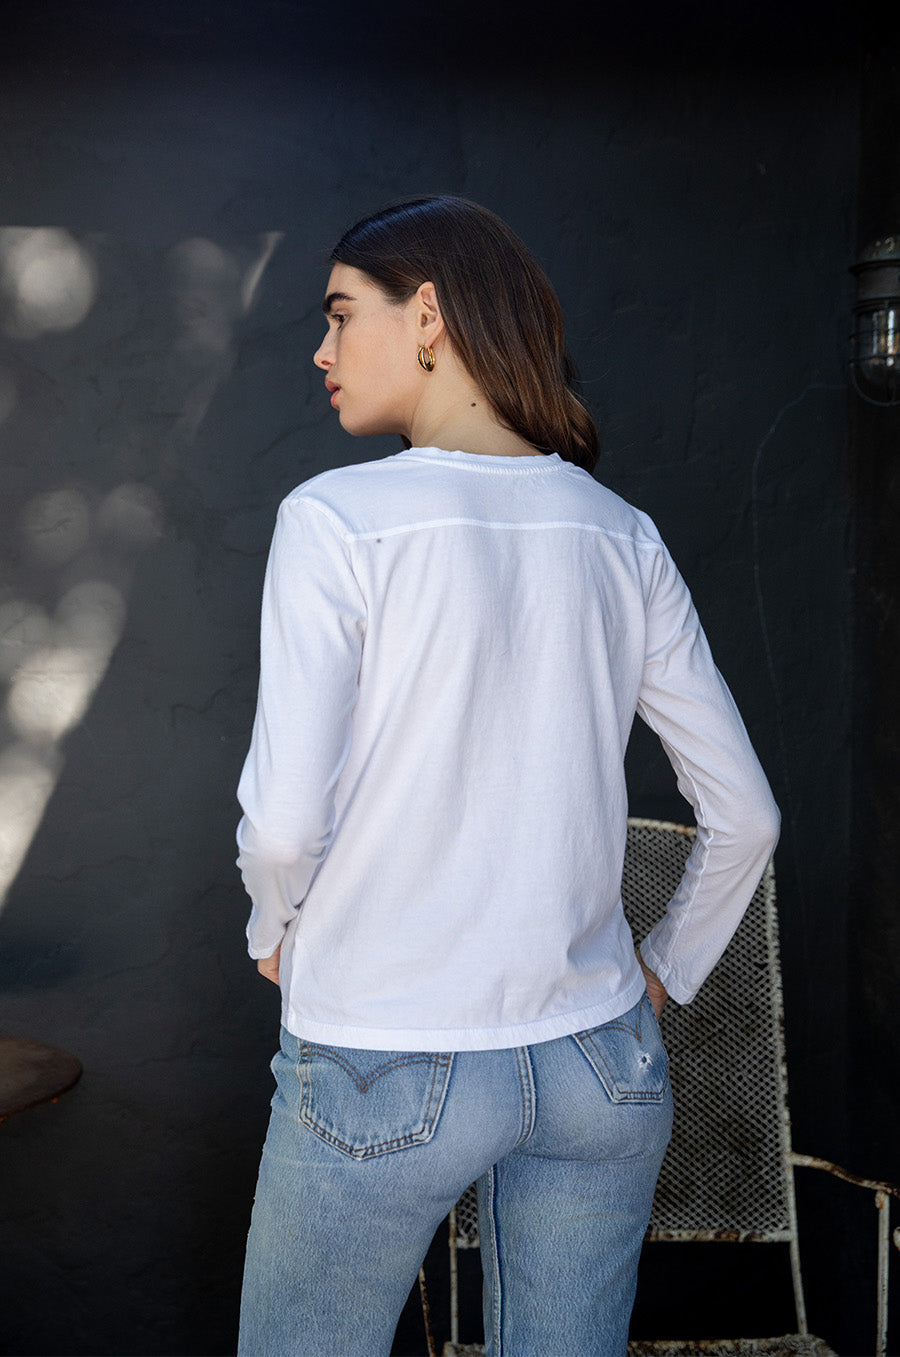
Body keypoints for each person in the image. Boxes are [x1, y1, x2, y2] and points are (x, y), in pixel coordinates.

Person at [235, 195, 780, 1357]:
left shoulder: (337, 520)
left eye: (341, 315)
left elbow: (283, 824)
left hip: (383, 1048)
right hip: (599, 1058)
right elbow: (745, 815)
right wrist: (662, 976)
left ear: (427, 314)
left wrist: (274, 924)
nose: (321, 352)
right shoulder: (621, 533)